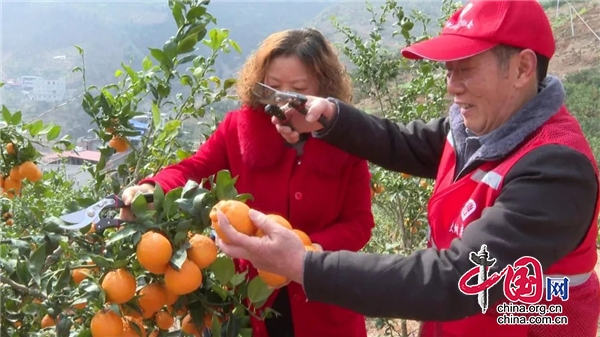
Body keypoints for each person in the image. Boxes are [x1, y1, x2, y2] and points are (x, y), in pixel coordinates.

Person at [213, 1, 600, 337]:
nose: (452, 87)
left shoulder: (556, 171)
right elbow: (402, 143)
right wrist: (329, 117)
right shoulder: (474, 131)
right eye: (448, 71)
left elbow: (456, 279)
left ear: (522, 69)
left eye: (464, 69)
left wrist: (304, 265)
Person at [119, 28, 375, 337]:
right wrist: (151, 189)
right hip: (254, 301)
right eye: (273, 88)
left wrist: (309, 253)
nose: (282, 102)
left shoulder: (345, 139)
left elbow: (359, 224)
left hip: (325, 301)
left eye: (297, 89)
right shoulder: (240, 128)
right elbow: (194, 168)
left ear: (323, 87)